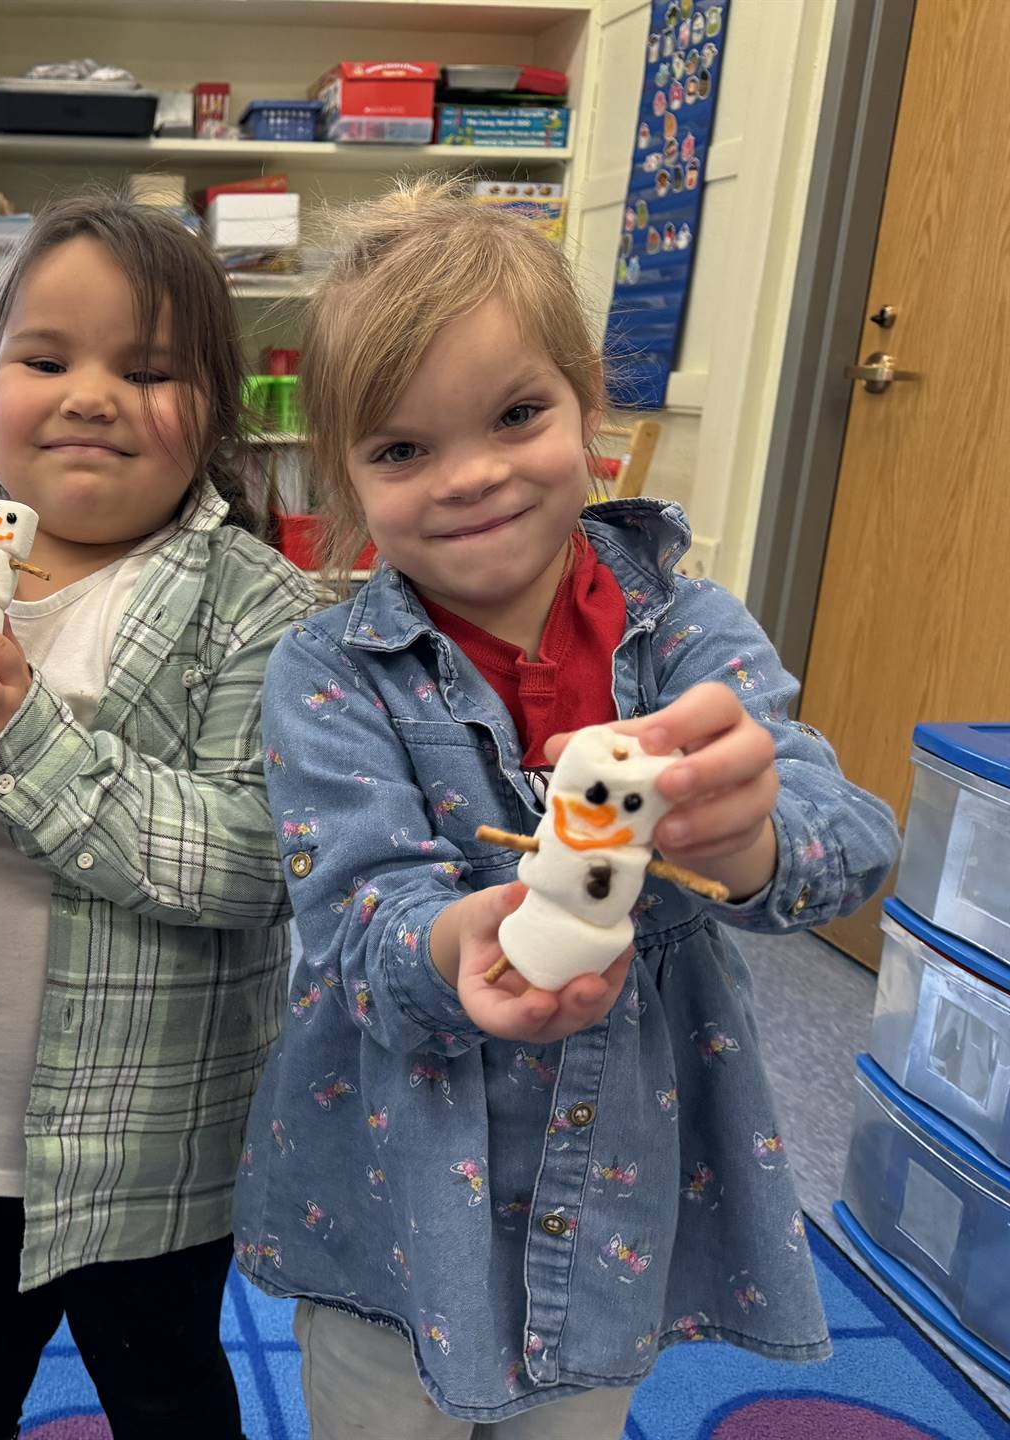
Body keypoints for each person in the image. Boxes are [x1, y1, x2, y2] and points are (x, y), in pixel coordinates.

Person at [232, 178, 898, 1437]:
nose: (472, 477)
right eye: (402, 449)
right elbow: (354, 907)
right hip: (395, 1198)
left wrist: (751, 838)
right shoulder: (326, 672)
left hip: (618, 1196)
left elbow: (855, 834)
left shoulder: (692, 633)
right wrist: (451, 941)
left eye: (515, 414)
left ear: (588, 401)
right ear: (343, 474)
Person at [0, 194, 319, 1438]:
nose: (90, 395)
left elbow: (261, 861)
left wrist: (20, 748)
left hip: (152, 1145)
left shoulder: (258, 604)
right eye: (46, 359)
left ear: (218, 415)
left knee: (162, 1382)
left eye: (146, 370)